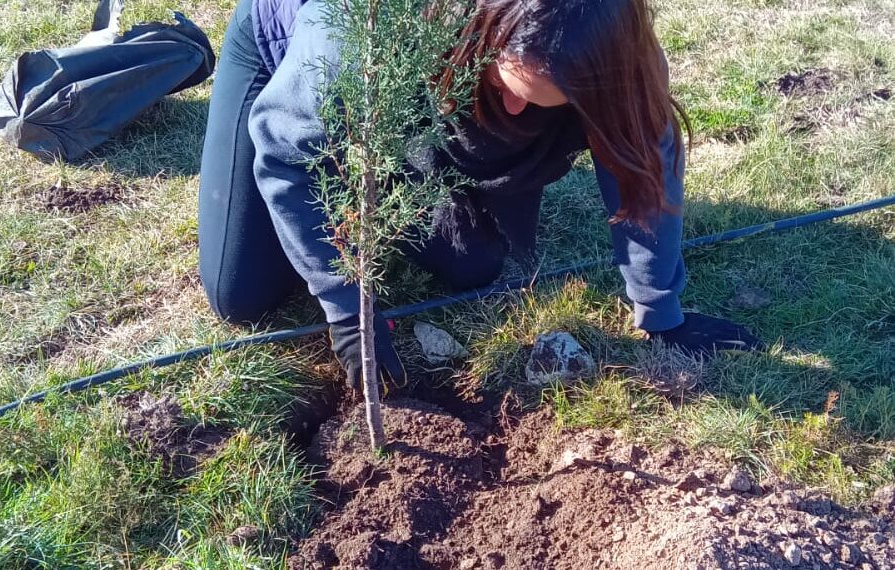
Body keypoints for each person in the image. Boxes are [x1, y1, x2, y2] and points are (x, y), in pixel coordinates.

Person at [197, 0, 764, 390]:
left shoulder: (609, 47)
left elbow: (640, 168)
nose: (516, 112)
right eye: (505, 86)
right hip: (294, 44)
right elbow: (286, 155)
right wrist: (345, 308)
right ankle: (365, 154)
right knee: (240, 296)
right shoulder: (360, 29)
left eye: (540, 99)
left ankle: (394, 174)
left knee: (471, 263)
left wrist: (660, 312)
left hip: (453, 70)